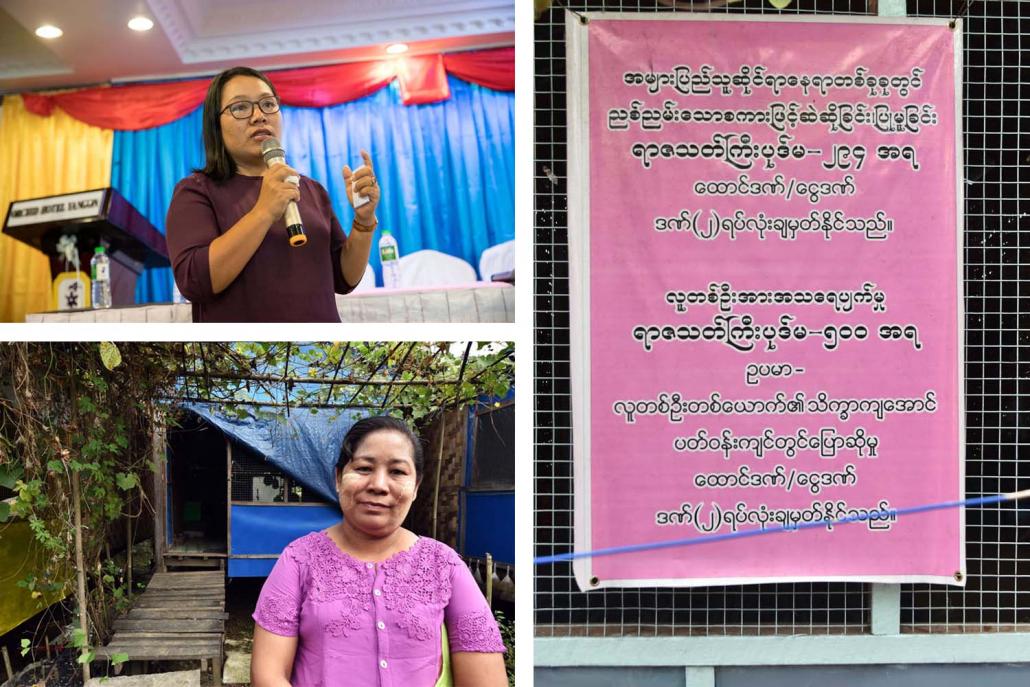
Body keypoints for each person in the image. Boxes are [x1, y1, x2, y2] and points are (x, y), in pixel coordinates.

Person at [250, 416, 509, 687]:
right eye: (363, 468)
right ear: (338, 478)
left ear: (416, 487)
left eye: (397, 472)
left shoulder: (443, 565)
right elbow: (268, 676)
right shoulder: (299, 560)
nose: (379, 485)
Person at [166, 66, 378, 322]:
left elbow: (344, 278)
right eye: (241, 107)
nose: (259, 116)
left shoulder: (311, 189)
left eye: (268, 104)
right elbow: (194, 282)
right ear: (216, 125)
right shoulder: (196, 191)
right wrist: (264, 211)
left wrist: (364, 221)